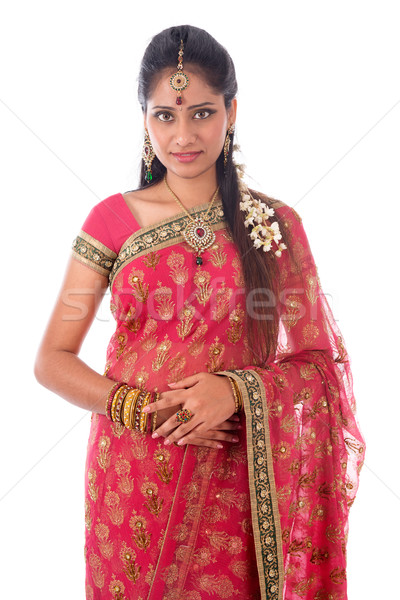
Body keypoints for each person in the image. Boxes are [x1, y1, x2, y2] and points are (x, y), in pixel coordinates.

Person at [34, 24, 365, 600]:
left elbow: (320, 364)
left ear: (232, 112)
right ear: (144, 119)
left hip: (236, 471)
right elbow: (51, 360)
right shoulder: (110, 220)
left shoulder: (275, 225)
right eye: (165, 115)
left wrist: (234, 391)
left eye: (202, 113)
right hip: (130, 473)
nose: (182, 135)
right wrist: (136, 407)